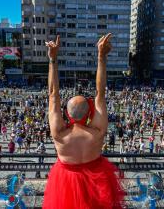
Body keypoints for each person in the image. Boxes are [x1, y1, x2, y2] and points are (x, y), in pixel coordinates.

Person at [42, 34, 125, 209]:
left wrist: (53, 59)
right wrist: (101, 57)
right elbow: (100, 92)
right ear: (89, 113)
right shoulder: (97, 131)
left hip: (65, 181)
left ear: (66, 112)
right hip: (97, 178)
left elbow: (53, 94)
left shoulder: (59, 133)